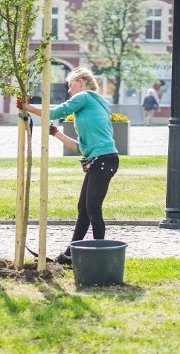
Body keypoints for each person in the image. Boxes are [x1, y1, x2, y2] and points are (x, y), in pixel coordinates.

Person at [23, 67, 119, 266]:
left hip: (104, 160)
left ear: (81, 81)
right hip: (100, 159)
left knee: (92, 207)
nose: (68, 90)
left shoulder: (85, 96)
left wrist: (28, 107)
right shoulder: (93, 105)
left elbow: (58, 111)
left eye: (70, 85)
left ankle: (101, 255)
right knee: (83, 209)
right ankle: (68, 256)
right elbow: (81, 148)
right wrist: (56, 133)